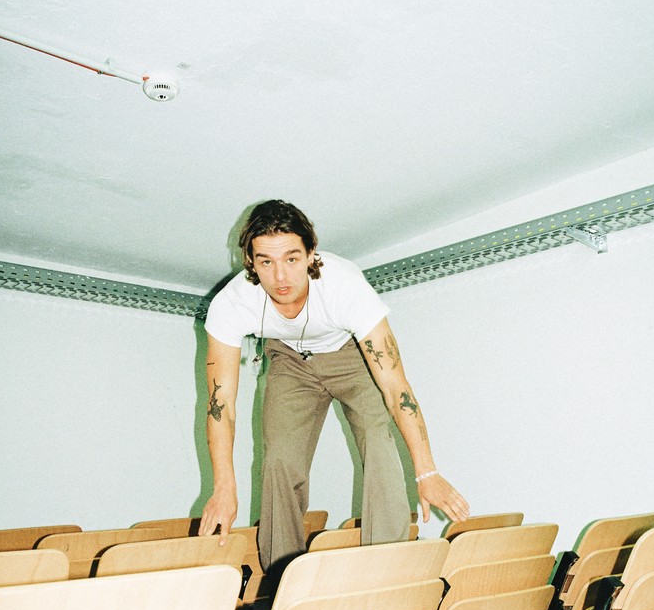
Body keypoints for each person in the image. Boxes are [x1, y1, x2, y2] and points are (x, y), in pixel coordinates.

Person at [199, 199, 469, 580]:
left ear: (311, 254)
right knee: (278, 460)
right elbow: (221, 404)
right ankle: (282, 579)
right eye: (266, 262)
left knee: (377, 437)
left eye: (292, 259)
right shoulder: (232, 304)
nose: (280, 276)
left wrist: (427, 473)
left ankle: (386, 569)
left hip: (348, 353)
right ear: (251, 262)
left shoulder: (344, 286)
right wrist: (224, 486)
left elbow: (396, 388)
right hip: (288, 359)